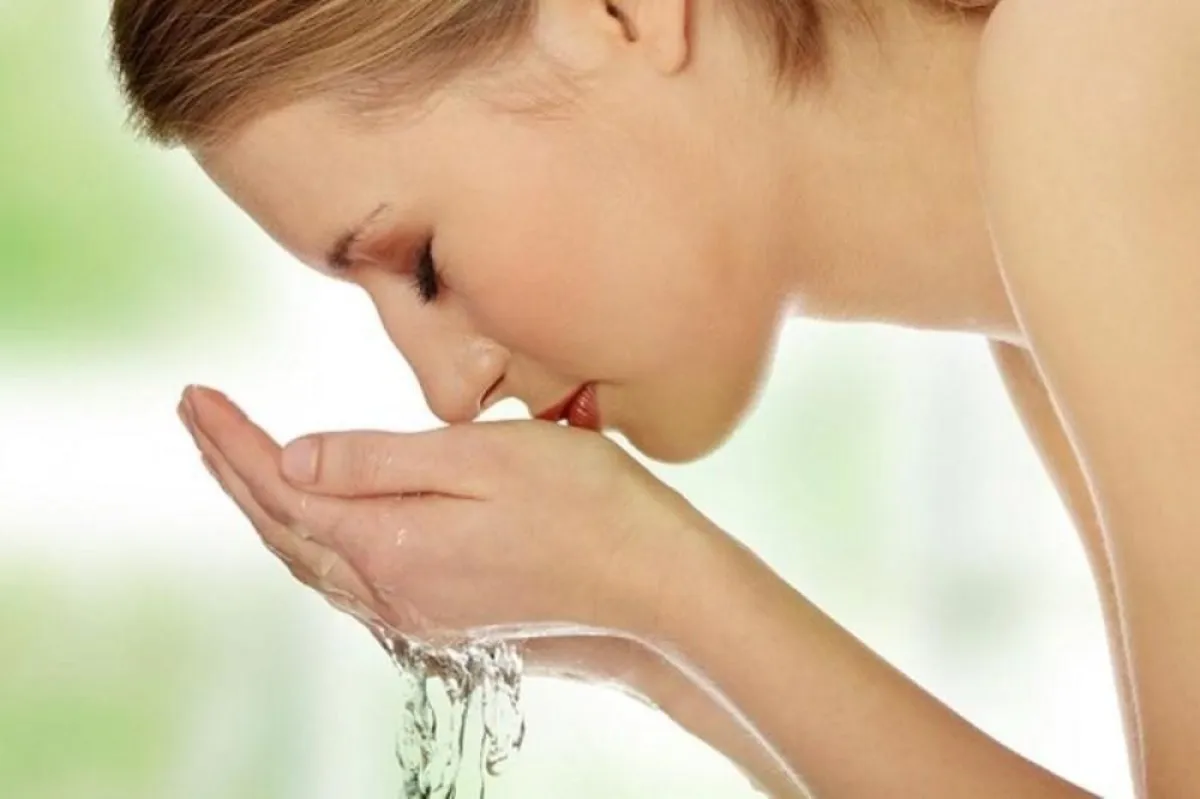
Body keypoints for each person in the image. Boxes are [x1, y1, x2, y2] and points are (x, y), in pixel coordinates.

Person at [110, 0, 1200, 795]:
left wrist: (661, 581)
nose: (450, 390)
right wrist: (636, 632)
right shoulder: (1039, 302)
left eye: (425, 264)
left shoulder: (1100, 65)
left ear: (621, 13)